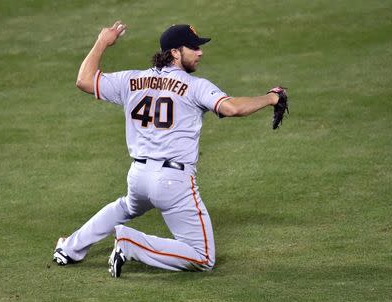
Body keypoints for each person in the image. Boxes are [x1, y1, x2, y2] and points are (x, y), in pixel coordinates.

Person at [53, 20, 284, 278]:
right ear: (175, 52)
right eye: (193, 47)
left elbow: (84, 80)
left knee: (127, 206)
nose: (200, 52)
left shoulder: (131, 80)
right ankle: (130, 244)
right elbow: (232, 108)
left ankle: (69, 248)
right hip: (173, 183)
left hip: (138, 176)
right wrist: (271, 97)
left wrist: (102, 41)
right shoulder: (196, 86)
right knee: (203, 257)